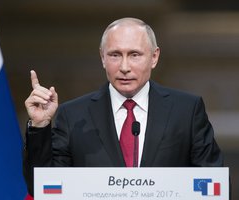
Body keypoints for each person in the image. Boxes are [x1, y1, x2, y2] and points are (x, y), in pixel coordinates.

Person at [23, 17, 223, 198]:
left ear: (154, 57)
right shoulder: (73, 115)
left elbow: (214, 186)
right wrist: (39, 126)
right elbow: (43, 188)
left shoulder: (186, 110)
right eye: (115, 55)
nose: (124, 67)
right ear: (102, 57)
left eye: (134, 55)